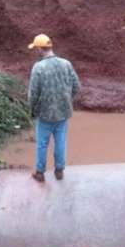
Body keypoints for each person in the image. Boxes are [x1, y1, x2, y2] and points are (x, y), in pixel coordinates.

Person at [27, 33, 80, 183]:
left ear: (39, 49)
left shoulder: (38, 67)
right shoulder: (66, 64)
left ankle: (40, 173)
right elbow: (76, 86)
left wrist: (32, 110)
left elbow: (33, 94)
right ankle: (59, 171)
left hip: (44, 114)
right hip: (63, 113)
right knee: (60, 142)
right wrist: (66, 100)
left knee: (42, 144)